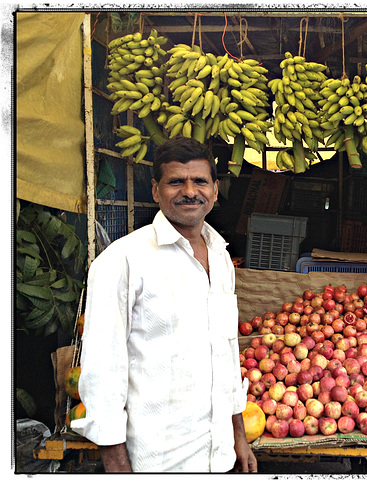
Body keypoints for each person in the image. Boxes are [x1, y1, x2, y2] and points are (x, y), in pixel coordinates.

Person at [72, 136, 258, 473]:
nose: (190, 191)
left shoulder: (221, 258)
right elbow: (102, 369)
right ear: (157, 191)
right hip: (159, 460)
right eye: (176, 181)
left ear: (215, 190)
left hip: (218, 455)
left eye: (200, 181)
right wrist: (116, 466)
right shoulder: (124, 260)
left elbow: (227, 355)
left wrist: (238, 436)